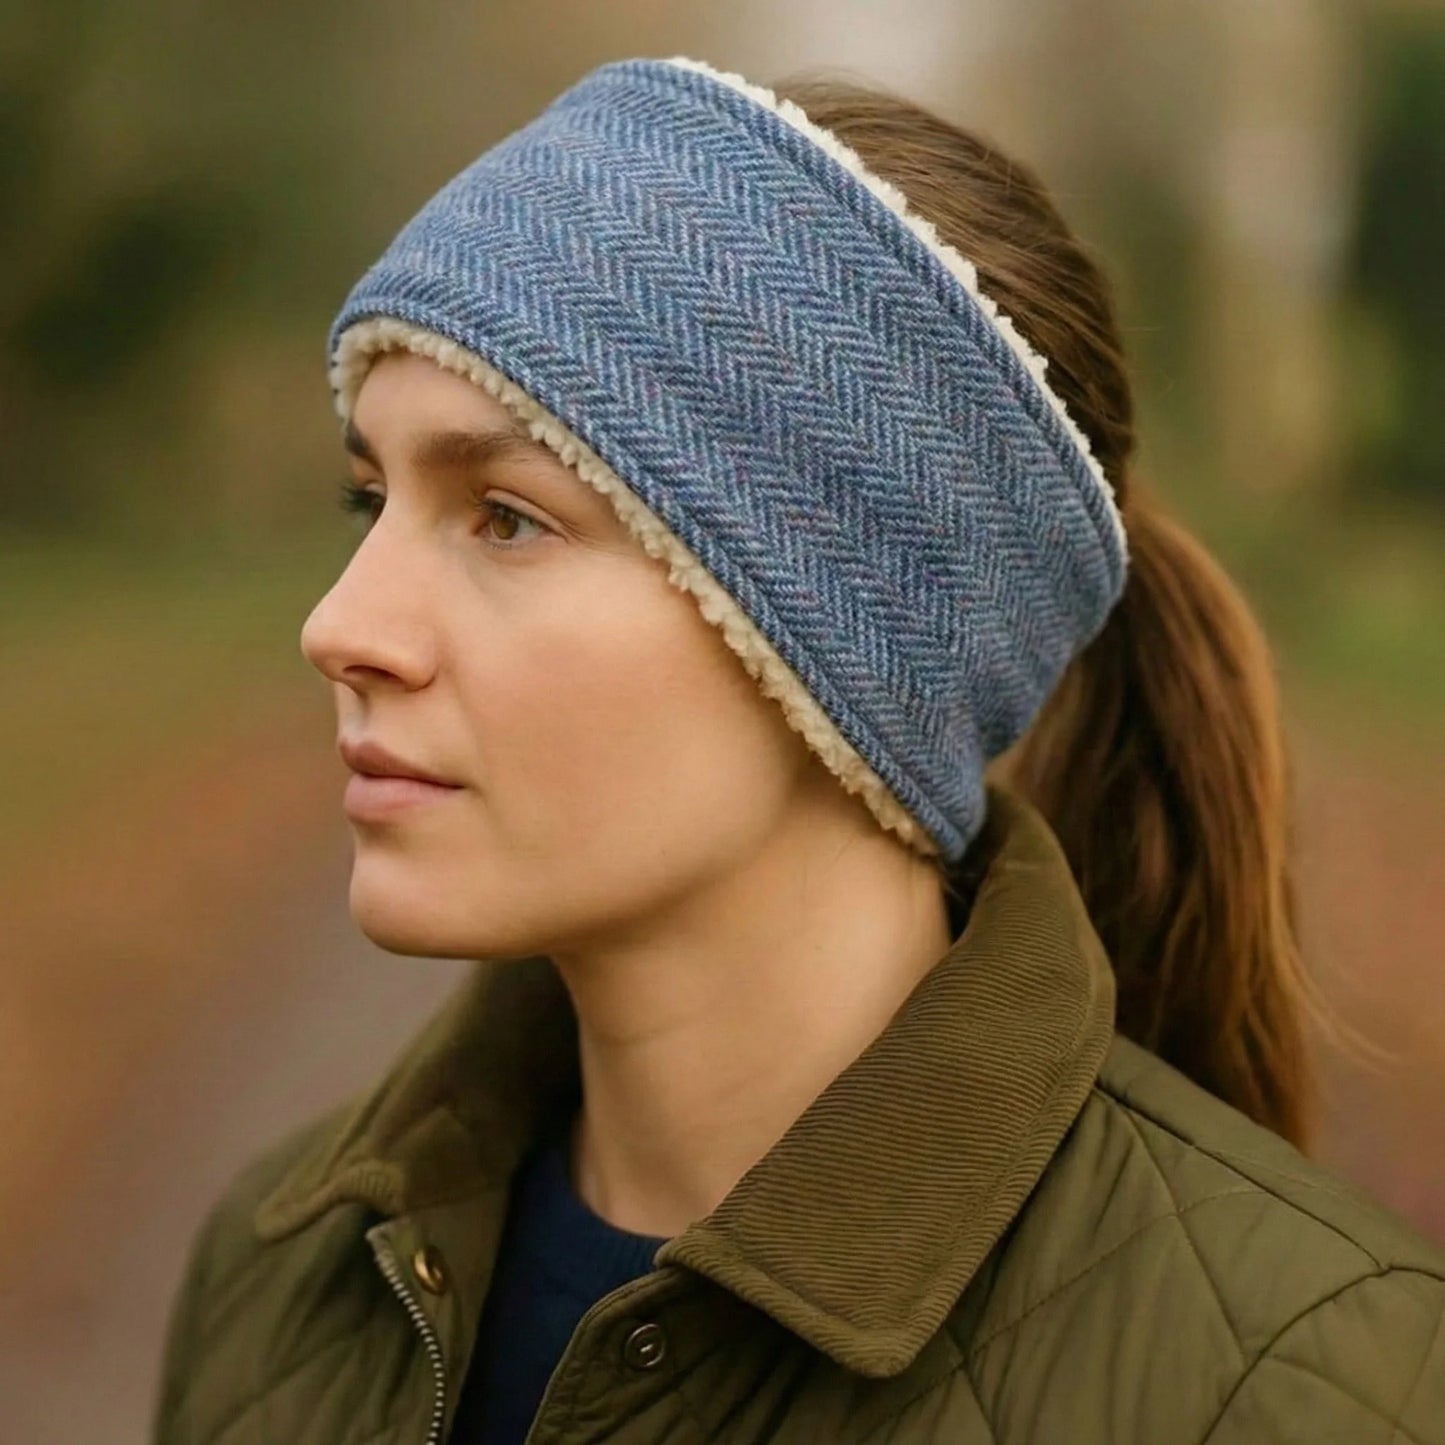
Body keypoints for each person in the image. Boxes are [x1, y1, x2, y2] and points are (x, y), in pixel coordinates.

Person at [152, 55, 1445, 1445]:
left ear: (846, 643)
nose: (341, 626)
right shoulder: (287, 1274)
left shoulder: (1294, 1386)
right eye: (372, 501)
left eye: (507, 517)